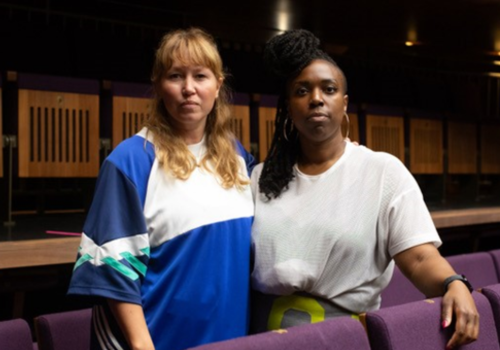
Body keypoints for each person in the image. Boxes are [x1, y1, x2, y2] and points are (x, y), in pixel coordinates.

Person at [250, 29, 479, 349]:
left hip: (343, 339)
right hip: (261, 339)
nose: (316, 98)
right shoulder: (261, 178)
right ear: (288, 107)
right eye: (302, 90)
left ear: (344, 104)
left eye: (328, 89)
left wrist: (453, 283)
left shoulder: (382, 171)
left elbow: (419, 257)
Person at [68, 27, 255, 350]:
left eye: (200, 76)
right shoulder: (130, 161)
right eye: (175, 76)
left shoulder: (237, 157)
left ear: (218, 84)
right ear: (157, 85)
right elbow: (113, 273)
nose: (188, 89)